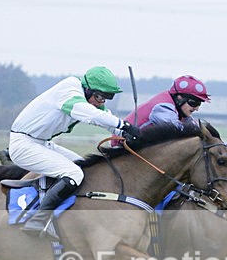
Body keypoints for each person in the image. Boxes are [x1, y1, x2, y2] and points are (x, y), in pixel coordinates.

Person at [9, 66, 141, 239]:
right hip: (23, 145)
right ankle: (38, 221)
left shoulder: (88, 98)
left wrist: (124, 133)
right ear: (87, 89)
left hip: (41, 143)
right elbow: (92, 115)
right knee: (73, 174)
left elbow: (104, 119)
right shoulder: (69, 91)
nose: (100, 102)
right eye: (98, 97)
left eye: (106, 98)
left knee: (85, 169)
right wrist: (125, 125)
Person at [123, 75, 210, 130]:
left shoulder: (178, 109)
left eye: (199, 104)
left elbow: (193, 126)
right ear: (179, 97)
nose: (197, 108)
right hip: (122, 146)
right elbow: (179, 130)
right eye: (194, 103)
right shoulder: (162, 107)